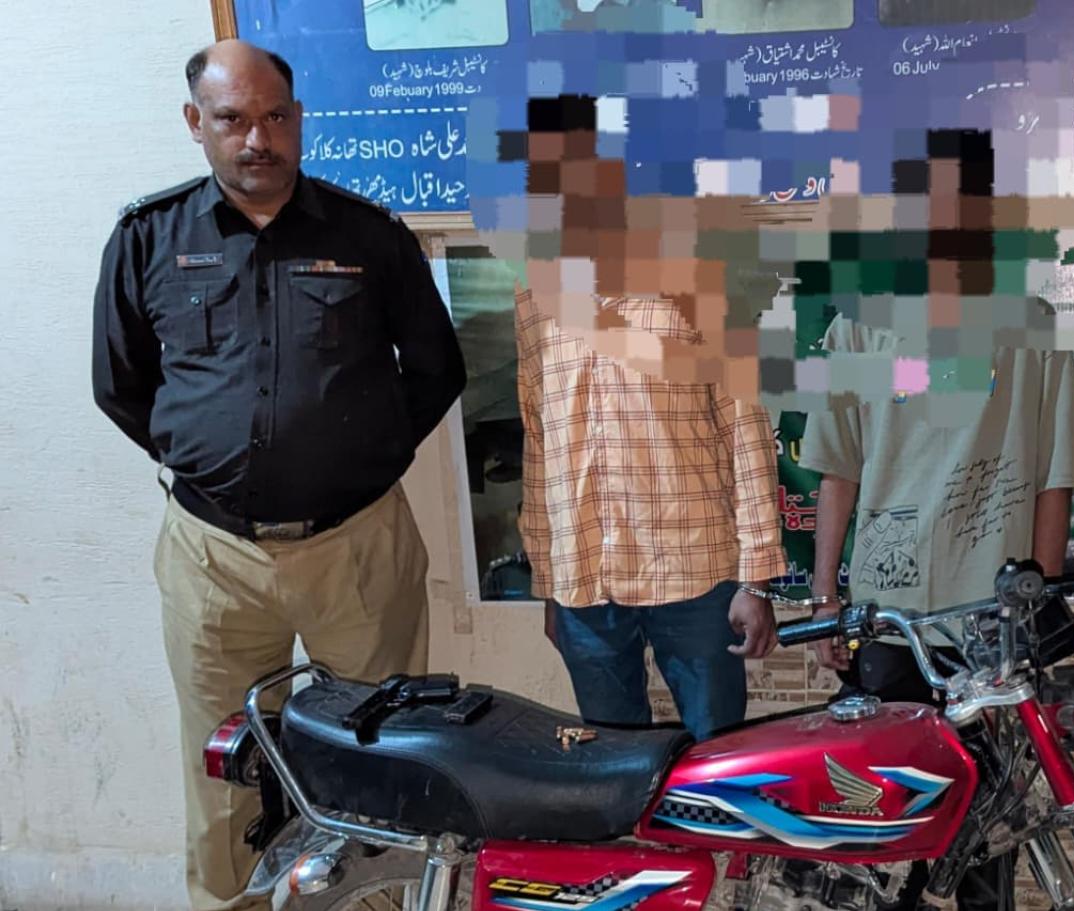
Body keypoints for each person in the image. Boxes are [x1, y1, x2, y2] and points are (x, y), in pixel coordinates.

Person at [91, 40, 465, 911]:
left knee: (379, 759)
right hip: (212, 556)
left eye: (274, 117)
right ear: (196, 123)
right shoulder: (149, 237)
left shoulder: (369, 235)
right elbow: (120, 384)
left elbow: (436, 370)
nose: (256, 138)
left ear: (299, 121)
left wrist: (358, 460)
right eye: (232, 118)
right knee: (224, 768)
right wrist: (210, 463)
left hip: (358, 547)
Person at [800, 129, 1074, 911]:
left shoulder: (1034, 327)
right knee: (883, 838)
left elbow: (1054, 479)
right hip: (888, 624)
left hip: (991, 633)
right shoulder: (856, 329)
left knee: (987, 841)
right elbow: (837, 470)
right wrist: (825, 598)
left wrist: (1039, 605)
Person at [493, 94, 790, 740]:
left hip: (695, 574)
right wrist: (549, 580)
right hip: (584, 585)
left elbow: (746, 431)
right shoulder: (535, 293)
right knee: (609, 766)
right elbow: (538, 438)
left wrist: (756, 578)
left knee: (716, 759)